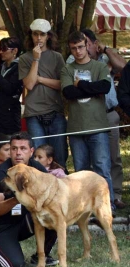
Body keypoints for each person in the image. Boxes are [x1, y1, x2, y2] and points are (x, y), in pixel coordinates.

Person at [0, 133, 58, 267]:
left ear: (31, 151)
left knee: (53, 217)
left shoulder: (37, 169)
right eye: (14, 148)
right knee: (16, 266)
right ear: (10, 151)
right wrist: (18, 197)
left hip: (23, 222)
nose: (18, 153)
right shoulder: (0, 173)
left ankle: (41, 256)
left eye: (23, 148)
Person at [73, 28, 126, 209]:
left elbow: (124, 67)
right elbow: (71, 89)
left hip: (108, 114)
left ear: (95, 44)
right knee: (88, 160)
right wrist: (94, 87)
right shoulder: (73, 62)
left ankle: (115, 194)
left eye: (88, 43)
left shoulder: (105, 60)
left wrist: (105, 50)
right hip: (85, 117)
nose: (84, 48)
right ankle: (89, 200)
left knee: (112, 158)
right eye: (81, 44)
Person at [61, 30, 114, 208]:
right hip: (76, 127)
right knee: (81, 171)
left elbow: (105, 87)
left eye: (81, 47)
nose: (78, 51)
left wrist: (81, 84)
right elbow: (68, 93)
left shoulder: (99, 66)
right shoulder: (67, 69)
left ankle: (108, 205)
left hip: (98, 126)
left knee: (102, 167)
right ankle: (84, 207)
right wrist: (92, 88)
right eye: (74, 48)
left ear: (87, 46)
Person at [19, 19, 67, 166]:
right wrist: (36, 60)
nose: (39, 38)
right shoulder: (24, 58)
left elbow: (63, 84)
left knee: (59, 155)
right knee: (38, 157)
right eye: (35, 34)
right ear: (31, 36)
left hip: (55, 110)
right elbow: (29, 84)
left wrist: (40, 78)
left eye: (42, 34)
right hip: (34, 112)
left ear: (48, 36)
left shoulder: (57, 57)